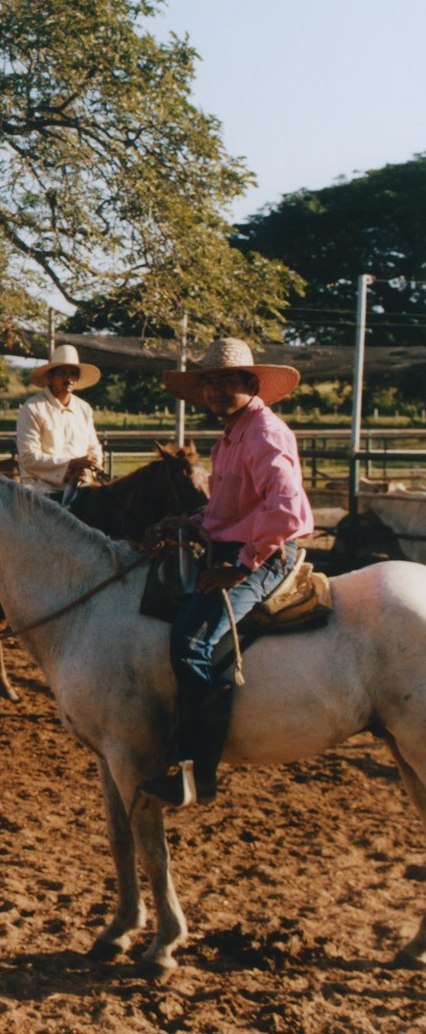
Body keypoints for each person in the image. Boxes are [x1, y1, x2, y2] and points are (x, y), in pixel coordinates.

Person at [140, 338, 314, 809]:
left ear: (250, 384)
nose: (216, 391)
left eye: (227, 381)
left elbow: (281, 512)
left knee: (191, 643)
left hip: (267, 550)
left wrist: (240, 566)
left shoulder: (264, 434)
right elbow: (223, 511)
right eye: (209, 383)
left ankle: (199, 773)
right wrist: (188, 523)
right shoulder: (229, 437)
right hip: (235, 543)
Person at [15, 343, 105, 496]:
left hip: (81, 486)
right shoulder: (33, 408)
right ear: (50, 375)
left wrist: (90, 467)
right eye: (63, 373)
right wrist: (71, 464)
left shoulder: (83, 408)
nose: (69, 379)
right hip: (42, 490)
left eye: (73, 374)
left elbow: (93, 446)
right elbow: (28, 457)